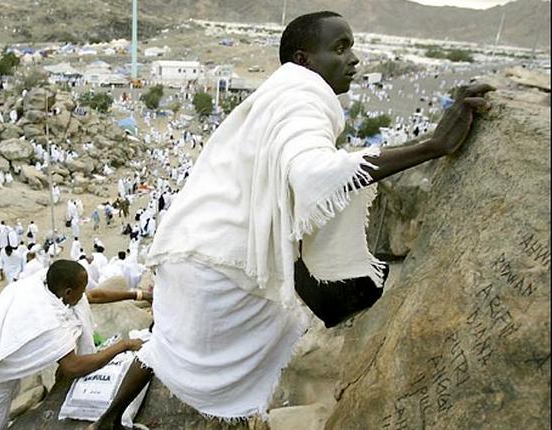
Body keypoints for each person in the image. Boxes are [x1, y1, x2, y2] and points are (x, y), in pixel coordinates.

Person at [91, 11, 494, 428]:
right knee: (252, 353)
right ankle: (227, 414)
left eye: (352, 46)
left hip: (198, 247)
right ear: (303, 60)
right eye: (340, 48)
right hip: (222, 264)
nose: (354, 59)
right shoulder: (302, 99)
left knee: (168, 344)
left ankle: (109, 419)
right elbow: (314, 173)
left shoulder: (281, 93)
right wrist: (434, 146)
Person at [0, 260, 148, 430]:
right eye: (82, 289)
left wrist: (138, 295)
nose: (84, 295)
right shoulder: (48, 319)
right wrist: (123, 345)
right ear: (69, 292)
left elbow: (93, 297)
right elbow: (72, 366)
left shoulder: (46, 284)